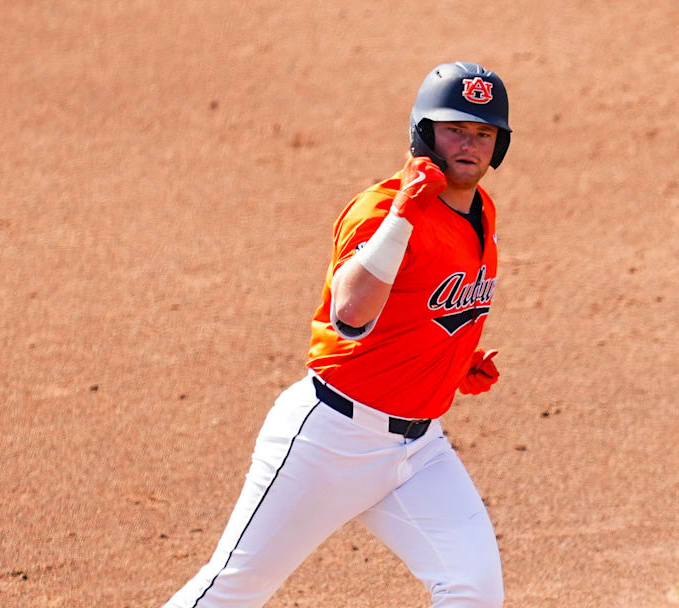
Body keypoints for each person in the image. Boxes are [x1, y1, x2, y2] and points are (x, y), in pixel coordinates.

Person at [163, 61, 512, 608]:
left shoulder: (481, 211)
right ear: (424, 134)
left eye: (483, 133)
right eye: (455, 129)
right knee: (234, 591)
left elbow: (423, 306)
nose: (469, 143)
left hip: (419, 450)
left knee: (472, 589)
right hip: (329, 439)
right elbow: (351, 313)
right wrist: (403, 215)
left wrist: (451, 357)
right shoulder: (381, 212)